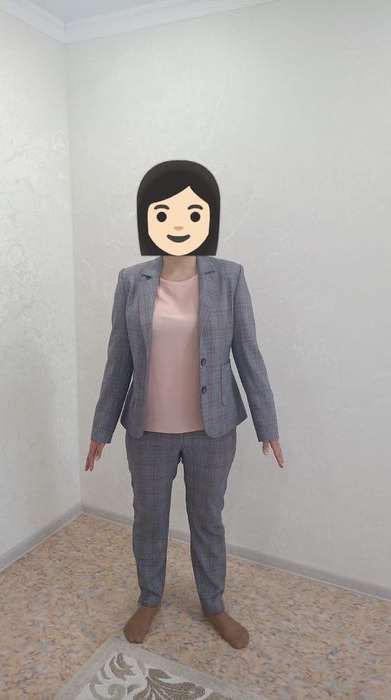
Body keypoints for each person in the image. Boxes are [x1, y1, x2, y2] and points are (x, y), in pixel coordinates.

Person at [85, 160, 285, 649]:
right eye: (164, 213)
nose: (178, 223)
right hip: (148, 430)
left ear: (208, 218)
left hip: (211, 430)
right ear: (147, 219)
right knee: (149, 519)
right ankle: (149, 598)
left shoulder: (229, 277)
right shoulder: (131, 280)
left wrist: (268, 425)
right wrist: (101, 429)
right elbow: (118, 359)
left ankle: (213, 603)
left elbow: (248, 353)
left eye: (192, 213)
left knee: (207, 519)